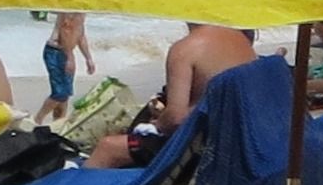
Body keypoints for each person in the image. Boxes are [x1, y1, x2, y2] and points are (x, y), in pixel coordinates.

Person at [83, 24, 257, 168]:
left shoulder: (186, 49)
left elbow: (176, 119)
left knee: (108, 147)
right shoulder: (242, 42)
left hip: (192, 152)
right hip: (228, 144)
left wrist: (157, 123)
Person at [35, 12, 94, 126]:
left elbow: (80, 34)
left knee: (65, 95)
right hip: (56, 52)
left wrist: (88, 58)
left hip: (65, 52)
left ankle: (58, 124)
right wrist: (69, 56)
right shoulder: (71, 8)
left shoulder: (81, 9)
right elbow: (65, 31)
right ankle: (37, 120)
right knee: (60, 93)